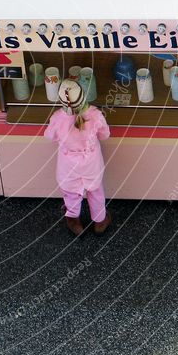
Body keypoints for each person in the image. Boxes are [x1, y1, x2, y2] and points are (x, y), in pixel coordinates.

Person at [44, 78, 112, 236]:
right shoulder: (95, 115)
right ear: (83, 95)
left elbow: (50, 136)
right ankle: (100, 221)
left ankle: (74, 222)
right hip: (91, 165)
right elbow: (105, 135)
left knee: (71, 193)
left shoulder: (57, 119)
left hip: (68, 167)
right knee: (96, 191)